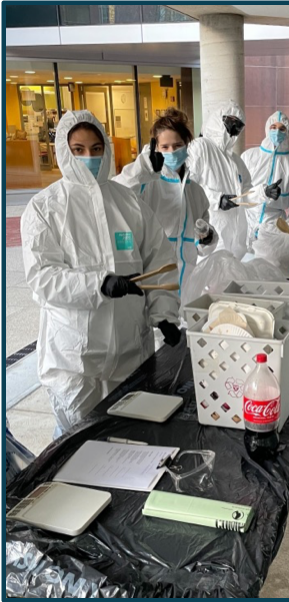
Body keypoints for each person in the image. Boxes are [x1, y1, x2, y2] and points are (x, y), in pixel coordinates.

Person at [21, 110, 182, 438]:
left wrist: (163, 314)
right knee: (77, 445)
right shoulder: (45, 207)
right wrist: (99, 284)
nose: (89, 157)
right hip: (76, 361)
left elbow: (158, 258)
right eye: (78, 150)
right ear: (63, 152)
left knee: (132, 440)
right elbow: (43, 278)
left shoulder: (127, 202)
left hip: (130, 353)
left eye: (96, 148)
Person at [113, 108, 218, 294]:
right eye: (165, 147)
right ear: (155, 148)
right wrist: (143, 168)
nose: (171, 152)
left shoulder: (196, 192)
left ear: (187, 145)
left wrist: (207, 237)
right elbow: (115, 193)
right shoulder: (146, 183)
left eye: (177, 146)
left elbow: (200, 241)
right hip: (153, 278)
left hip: (186, 279)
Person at [186, 100, 252, 259]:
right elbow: (188, 188)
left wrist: (264, 193)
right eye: (231, 122)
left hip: (235, 242)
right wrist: (217, 199)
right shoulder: (201, 147)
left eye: (238, 126)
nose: (233, 129)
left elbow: (248, 192)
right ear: (218, 119)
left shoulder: (236, 161)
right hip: (210, 236)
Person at [242, 110, 289, 249]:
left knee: (270, 266)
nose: (277, 132)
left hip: (275, 225)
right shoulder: (249, 157)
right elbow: (239, 192)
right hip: (247, 220)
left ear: (288, 132)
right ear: (267, 129)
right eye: (273, 127)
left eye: (282, 128)